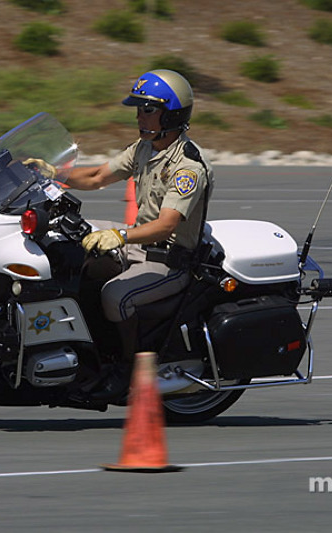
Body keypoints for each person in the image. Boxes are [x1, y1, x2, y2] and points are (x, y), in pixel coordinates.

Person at [61, 69, 214, 400]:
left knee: (116, 297)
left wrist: (119, 236)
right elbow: (99, 176)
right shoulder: (145, 148)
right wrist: (53, 174)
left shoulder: (188, 168)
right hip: (140, 245)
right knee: (72, 237)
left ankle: (126, 371)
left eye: (147, 109)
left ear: (170, 114)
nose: (139, 116)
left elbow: (166, 225)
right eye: (138, 109)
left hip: (168, 261)